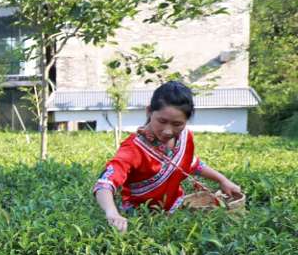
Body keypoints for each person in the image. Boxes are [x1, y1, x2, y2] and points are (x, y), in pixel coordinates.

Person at [93, 80, 243, 232]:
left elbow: (193, 164)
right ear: (149, 111)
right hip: (140, 216)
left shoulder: (185, 137)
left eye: (177, 124)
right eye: (162, 121)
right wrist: (112, 213)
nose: (168, 131)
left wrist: (223, 180)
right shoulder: (133, 149)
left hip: (176, 207)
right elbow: (105, 184)